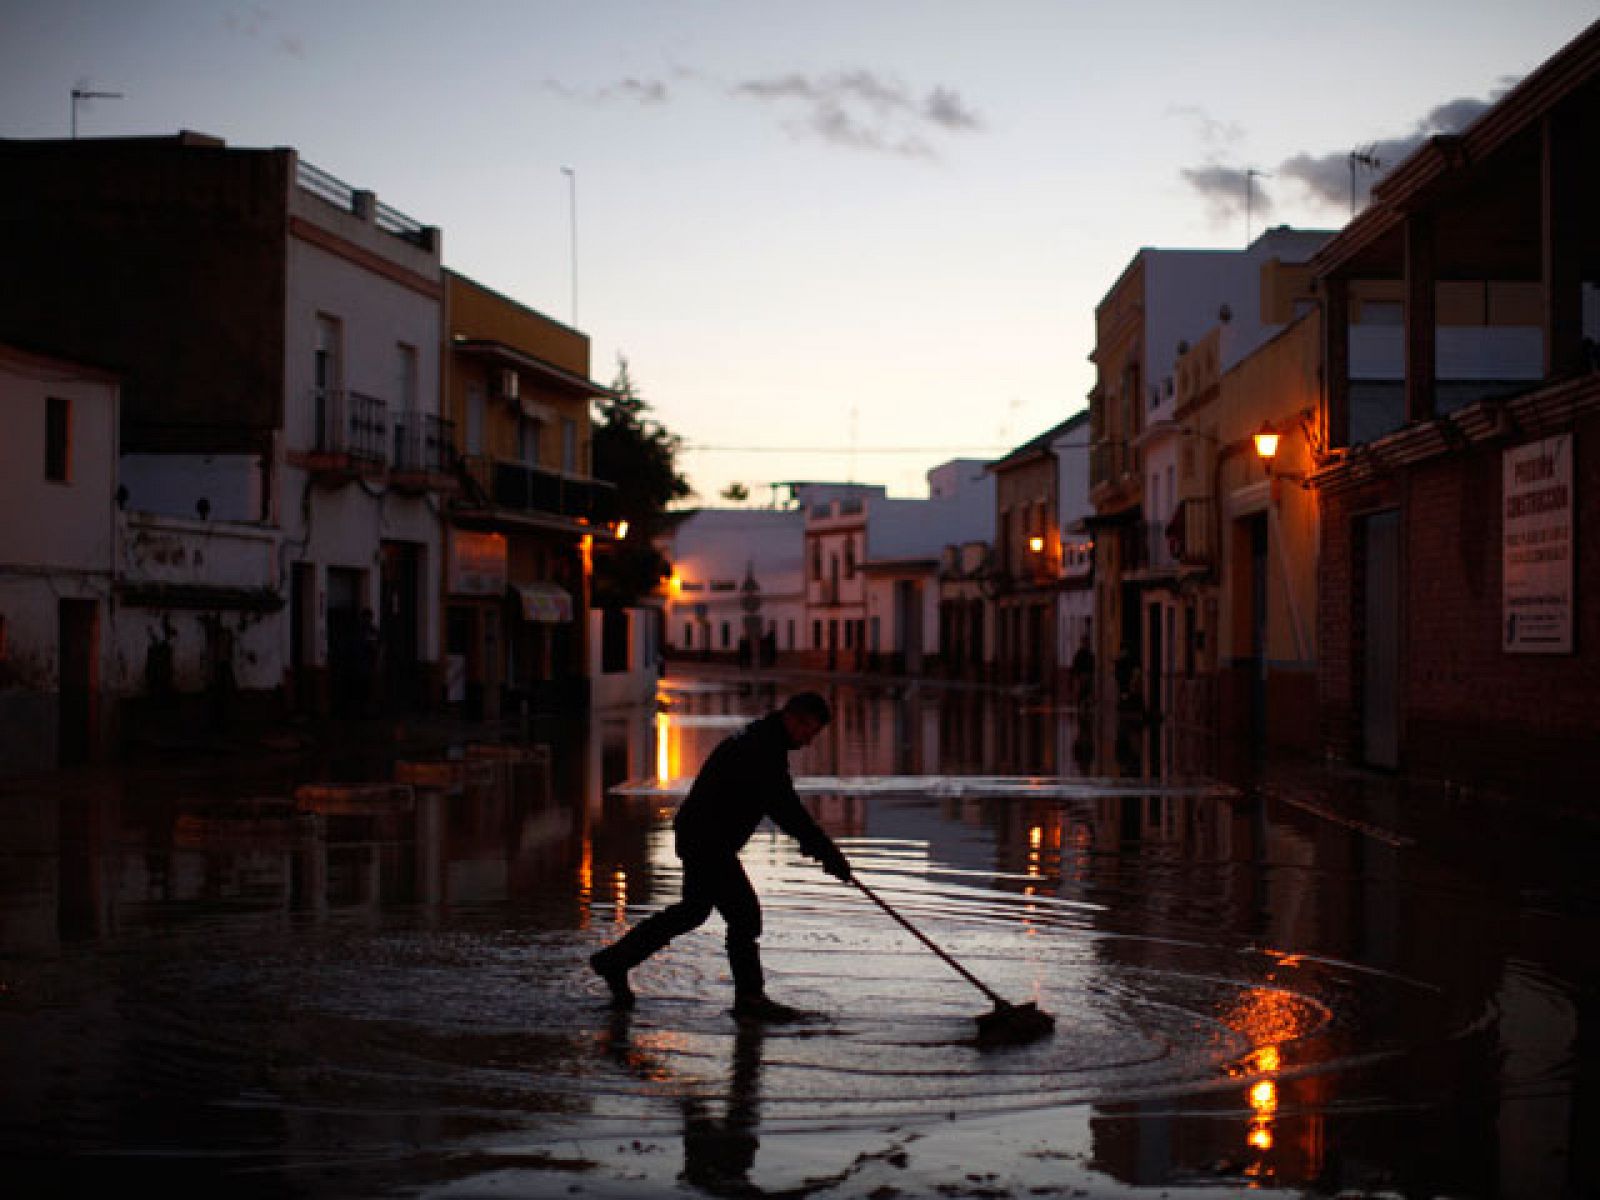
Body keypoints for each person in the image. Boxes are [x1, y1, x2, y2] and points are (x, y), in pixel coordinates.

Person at [590, 691, 852, 1021]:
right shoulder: (761, 751)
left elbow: (786, 811)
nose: (809, 741)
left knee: (693, 911)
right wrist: (830, 855)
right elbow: (789, 812)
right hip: (706, 839)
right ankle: (750, 1000)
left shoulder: (762, 741)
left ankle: (615, 961)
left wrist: (826, 854)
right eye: (809, 731)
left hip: (704, 836)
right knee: (744, 915)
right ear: (794, 719)